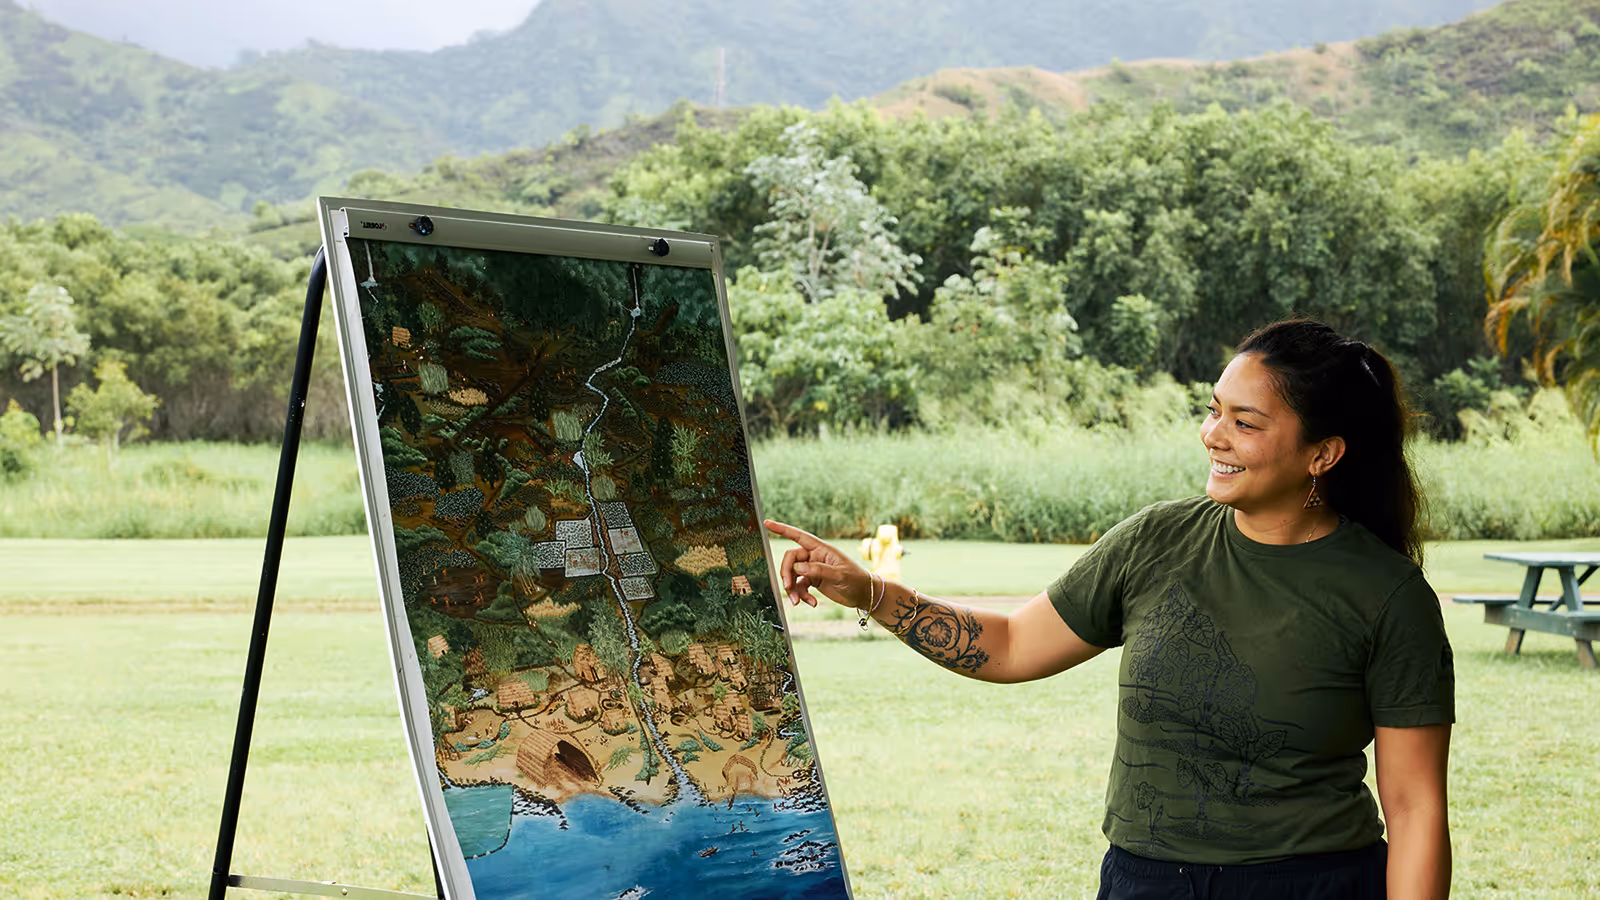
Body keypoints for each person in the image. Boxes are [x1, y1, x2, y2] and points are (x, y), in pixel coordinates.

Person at [765, 320, 1454, 900]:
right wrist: (871, 592)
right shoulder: (1157, 541)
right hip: (1144, 881)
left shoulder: (1387, 595)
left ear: (1323, 454)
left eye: (1244, 423)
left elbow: (1416, 808)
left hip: (1310, 883)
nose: (1213, 434)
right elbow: (1010, 645)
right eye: (1214, 409)